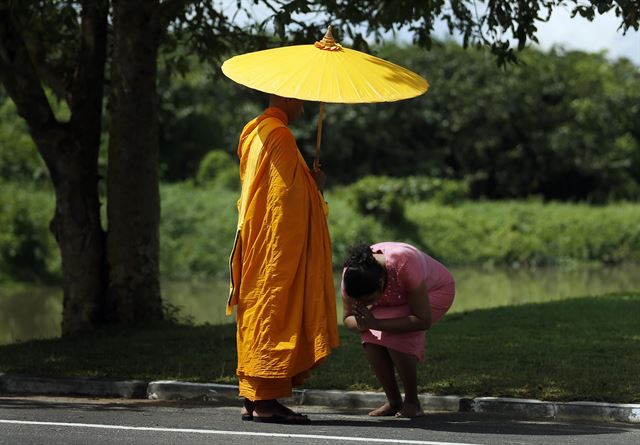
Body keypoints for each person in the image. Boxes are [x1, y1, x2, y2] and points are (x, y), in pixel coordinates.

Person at [227, 94, 339, 424]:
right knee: (275, 310)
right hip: (274, 245)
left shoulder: (254, 131)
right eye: (300, 102)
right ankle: (266, 402)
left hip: (256, 238)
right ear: (286, 98)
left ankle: (253, 396)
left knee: (260, 309)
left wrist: (305, 179)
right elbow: (284, 198)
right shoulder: (279, 134)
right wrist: (314, 184)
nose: (304, 108)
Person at [341, 242, 455, 418]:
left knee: (394, 335)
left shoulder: (402, 262)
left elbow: (422, 320)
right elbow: (347, 319)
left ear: (380, 283)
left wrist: (376, 324)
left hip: (434, 291)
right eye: (360, 301)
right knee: (370, 338)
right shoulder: (352, 276)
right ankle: (394, 401)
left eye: (368, 300)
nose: (364, 305)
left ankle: (412, 401)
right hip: (394, 300)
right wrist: (363, 324)